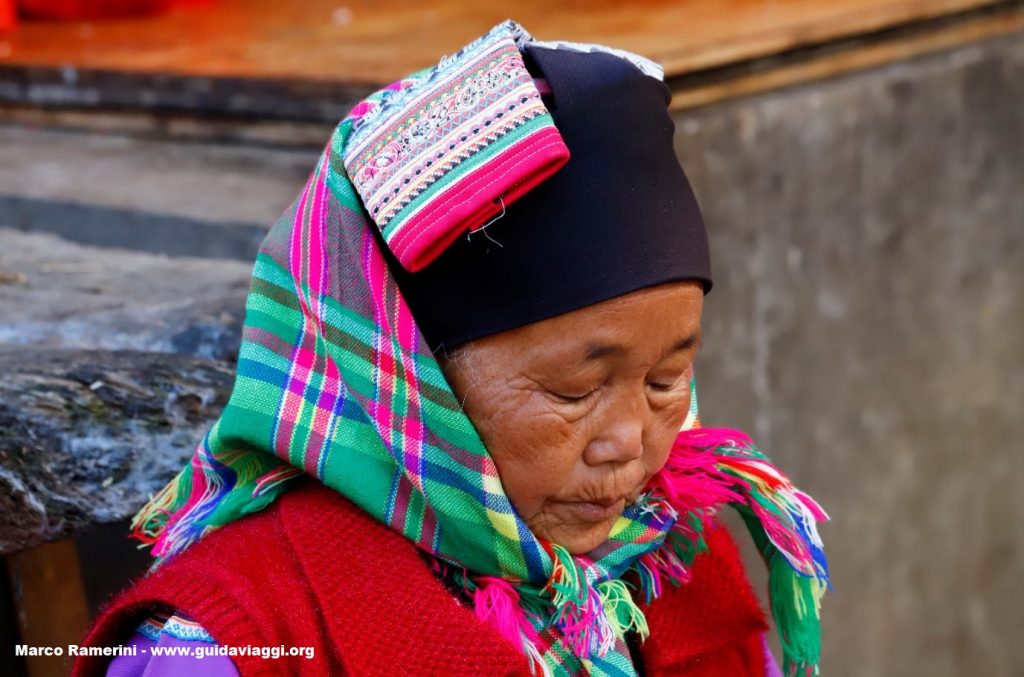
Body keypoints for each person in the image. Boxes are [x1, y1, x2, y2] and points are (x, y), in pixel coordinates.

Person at [73, 21, 829, 677]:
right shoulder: (232, 640)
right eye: (575, 391)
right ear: (410, 374)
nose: (631, 444)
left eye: (666, 380)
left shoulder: (668, 558)